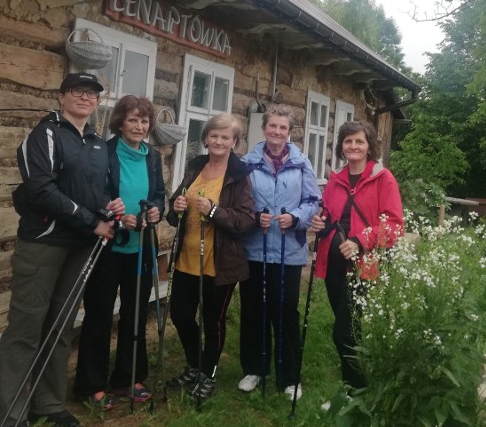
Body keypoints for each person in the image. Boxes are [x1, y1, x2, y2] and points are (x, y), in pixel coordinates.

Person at [0, 73, 124, 427]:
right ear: (63, 96)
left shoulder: (98, 144)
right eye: (78, 91)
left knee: (61, 325)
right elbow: (41, 190)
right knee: (26, 327)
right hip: (43, 243)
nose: (85, 97)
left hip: (80, 245)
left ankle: (48, 405)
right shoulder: (45, 135)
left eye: (92, 93)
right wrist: (91, 221)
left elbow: (92, 190)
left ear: (98, 102)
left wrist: (107, 208)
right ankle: (11, 414)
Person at [73, 95, 165, 410]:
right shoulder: (103, 151)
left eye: (144, 121)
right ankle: (91, 384)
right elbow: (91, 193)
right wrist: (113, 213)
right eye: (133, 120)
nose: (139, 126)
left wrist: (155, 211)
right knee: (99, 314)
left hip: (141, 247)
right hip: (109, 244)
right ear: (120, 122)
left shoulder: (152, 156)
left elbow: (159, 196)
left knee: (135, 313)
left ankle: (129, 377)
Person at [165, 113, 255, 402]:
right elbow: (173, 213)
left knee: (212, 320)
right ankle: (195, 364)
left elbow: (245, 220)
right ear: (205, 138)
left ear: (234, 142)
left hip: (220, 262)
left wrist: (214, 211)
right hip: (186, 259)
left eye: (225, 137)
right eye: (214, 135)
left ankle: (209, 372)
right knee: (180, 314)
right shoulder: (195, 166)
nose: (218, 141)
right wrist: (176, 205)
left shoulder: (240, 174)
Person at [310, 120, 403, 396]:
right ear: (341, 146)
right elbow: (329, 215)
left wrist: (360, 241)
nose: (353, 146)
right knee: (350, 329)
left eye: (359, 141)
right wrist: (320, 223)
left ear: (369, 146)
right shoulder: (335, 180)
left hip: (363, 264)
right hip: (335, 262)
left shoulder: (383, 179)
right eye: (348, 141)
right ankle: (359, 383)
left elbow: (395, 226)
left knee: (343, 332)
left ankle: (356, 390)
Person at [237, 105, 320, 400]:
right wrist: (255, 214)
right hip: (255, 248)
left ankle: (289, 376)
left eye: (283, 128)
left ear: (289, 132)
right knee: (253, 309)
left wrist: (296, 217)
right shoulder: (248, 162)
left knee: (285, 311)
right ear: (264, 128)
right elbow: (240, 202)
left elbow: (313, 200)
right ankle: (255, 368)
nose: (277, 132)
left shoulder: (301, 163)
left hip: (289, 251)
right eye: (272, 126)